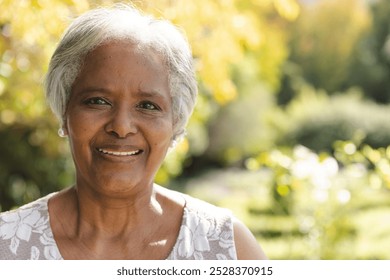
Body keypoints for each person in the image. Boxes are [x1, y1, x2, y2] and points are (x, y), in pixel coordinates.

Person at [0, 4, 267, 260]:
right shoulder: (8, 245)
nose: (121, 126)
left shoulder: (226, 248)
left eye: (148, 106)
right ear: (65, 110)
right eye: (97, 101)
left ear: (175, 123)